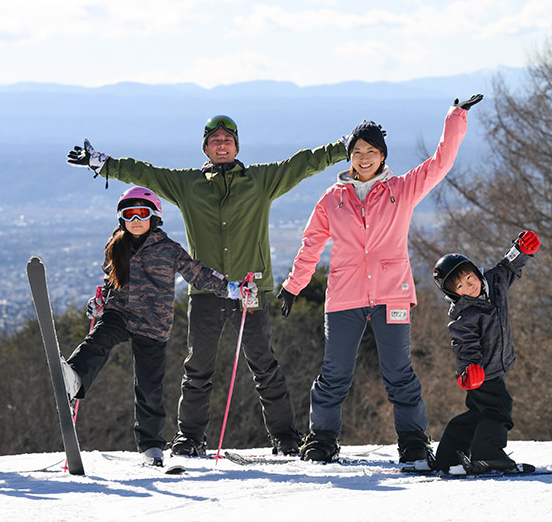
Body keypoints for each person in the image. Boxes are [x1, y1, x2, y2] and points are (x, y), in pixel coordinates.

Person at [67, 115, 350, 457]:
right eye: (214, 140)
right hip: (205, 293)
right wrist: (105, 164)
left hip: (252, 290)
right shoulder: (188, 185)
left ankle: (285, 437)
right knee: (197, 368)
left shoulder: (260, 180)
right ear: (205, 148)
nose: (221, 144)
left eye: (227, 139)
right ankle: (190, 438)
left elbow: (302, 164)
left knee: (264, 365)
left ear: (236, 145)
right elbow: (146, 174)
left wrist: (342, 148)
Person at [278, 94, 483, 464]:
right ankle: (322, 439)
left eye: (371, 150)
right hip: (345, 297)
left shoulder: (401, 190)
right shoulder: (332, 199)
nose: (364, 157)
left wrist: (456, 117)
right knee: (334, 373)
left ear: (383, 156)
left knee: (399, 373)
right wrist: (294, 285)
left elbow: (440, 163)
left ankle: (414, 442)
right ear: (349, 157)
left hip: (393, 296)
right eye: (357, 151)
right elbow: (311, 245)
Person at [59, 187, 256, 466]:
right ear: (121, 219)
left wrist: (234, 289)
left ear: (155, 217)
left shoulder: (169, 249)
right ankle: (74, 376)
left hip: (154, 322)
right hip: (120, 312)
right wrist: (100, 301)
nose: (136, 220)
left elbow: (199, 275)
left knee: (149, 385)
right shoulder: (115, 246)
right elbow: (109, 281)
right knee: (98, 340)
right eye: (129, 214)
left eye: (142, 213)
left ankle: (151, 446)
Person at [431, 230, 539, 474]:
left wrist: (522, 249)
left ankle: (450, 454)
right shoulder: (464, 316)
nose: (469, 286)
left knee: (479, 414)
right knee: (499, 409)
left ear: (475, 272)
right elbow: (464, 345)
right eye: (460, 286)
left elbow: (509, 266)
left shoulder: (494, 282)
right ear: (453, 294)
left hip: (494, 368)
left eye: (469, 278)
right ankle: (487, 454)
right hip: (481, 373)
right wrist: (469, 368)